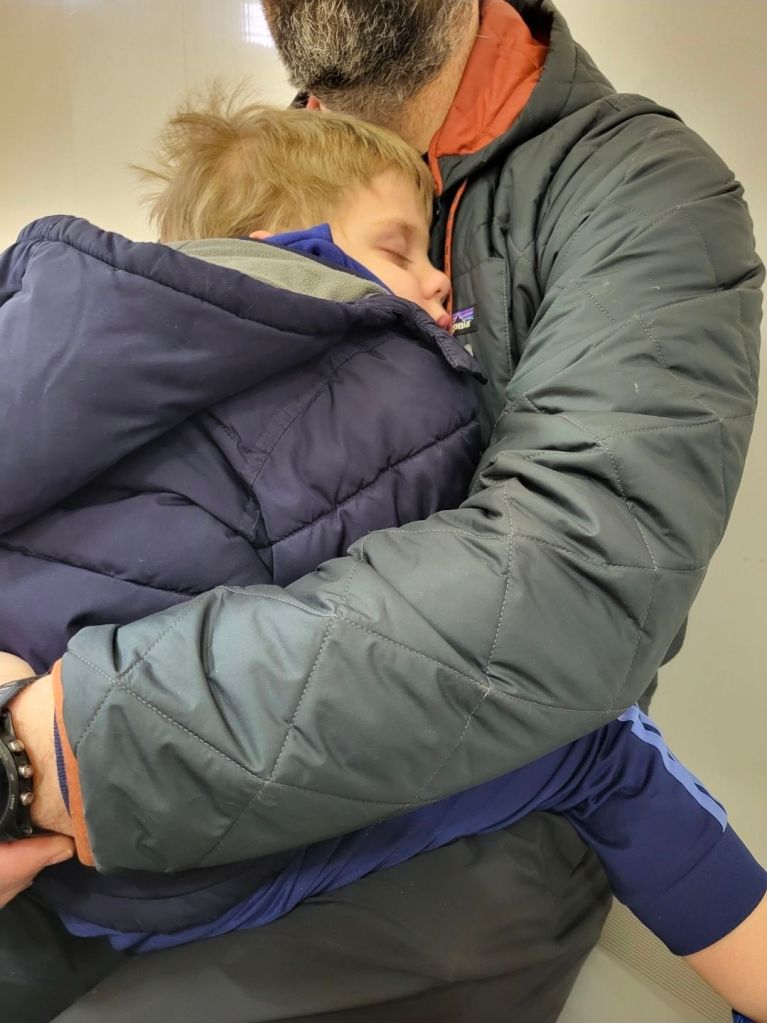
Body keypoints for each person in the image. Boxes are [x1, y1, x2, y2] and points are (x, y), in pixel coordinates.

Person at [1, 1, 763, 1021]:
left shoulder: (634, 185)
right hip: (93, 792)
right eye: (402, 253)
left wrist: (49, 746)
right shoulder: (245, 237)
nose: (438, 285)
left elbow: (569, 587)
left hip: (451, 773)